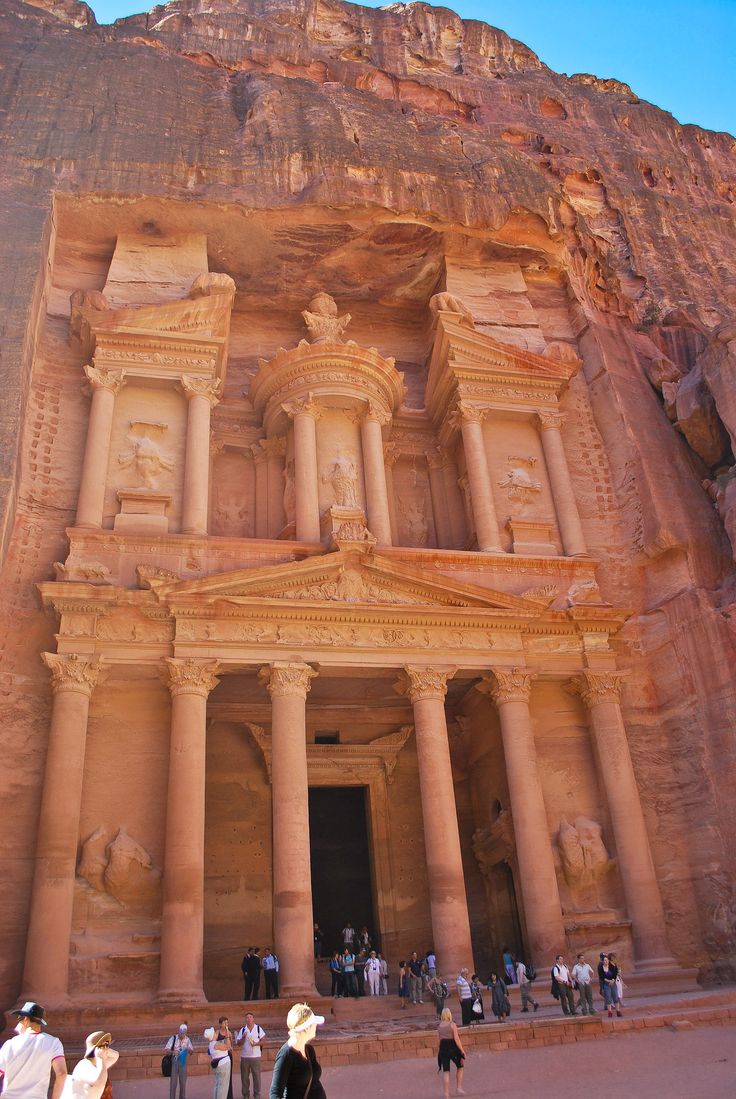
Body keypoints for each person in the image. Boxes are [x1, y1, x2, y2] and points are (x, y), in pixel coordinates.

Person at [0, 1001, 67, 1099]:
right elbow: (62, 1073)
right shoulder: (53, 1043)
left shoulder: (10, 1044)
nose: (17, 1025)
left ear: (26, 1019)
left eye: (19, 1020)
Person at [269, 1003, 326, 1099]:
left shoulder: (309, 1050)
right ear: (307, 1028)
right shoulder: (286, 1055)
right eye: (314, 1023)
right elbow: (275, 1093)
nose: (316, 1025)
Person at [61, 1031, 119, 1099]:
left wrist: (105, 1049)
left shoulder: (97, 1065)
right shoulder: (84, 1065)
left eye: (107, 1045)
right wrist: (99, 1057)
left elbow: (115, 1056)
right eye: (103, 1046)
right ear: (95, 1049)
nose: (106, 1048)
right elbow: (99, 1082)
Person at [437, 1007, 466, 1099]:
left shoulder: (439, 1026)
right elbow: (456, 1039)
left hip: (443, 1048)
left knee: (446, 1071)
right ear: (449, 1014)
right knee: (460, 1066)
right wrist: (462, 1050)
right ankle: (458, 1087)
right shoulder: (452, 1024)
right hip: (453, 1048)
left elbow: (439, 1040)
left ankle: (446, 1093)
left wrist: (440, 1051)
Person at [236, 1013, 265, 1099]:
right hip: (245, 1057)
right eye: (247, 1017)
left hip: (256, 1057)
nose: (248, 1019)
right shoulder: (243, 1030)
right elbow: (238, 1044)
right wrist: (243, 1038)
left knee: (257, 1077)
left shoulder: (258, 1029)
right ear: (245, 1019)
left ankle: (257, 1095)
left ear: (253, 1018)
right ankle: (245, 1094)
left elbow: (264, 1040)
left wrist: (257, 1044)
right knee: (244, 1078)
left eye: (250, 1017)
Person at [164, 1024, 193, 1099]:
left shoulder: (187, 1039)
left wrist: (190, 1050)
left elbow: (192, 1051)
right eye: (181, 1033)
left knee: (183, 1083)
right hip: (175, 1061)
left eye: (184, 1033)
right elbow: (166, 1050)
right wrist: (173, 1052)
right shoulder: (173, 1038)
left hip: (183, 1062)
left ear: (186, 1032)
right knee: (173, 1083)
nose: (182, 1035)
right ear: (179, 1031)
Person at [206, 1025, 231, 1099]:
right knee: (223, 1087)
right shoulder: (215, 1044)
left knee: (217, 1085)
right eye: (215, 1033)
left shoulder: (211, 1044)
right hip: (223, 1065)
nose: (216, 1033)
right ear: (213, 1035)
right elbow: (228, 1047)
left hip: (219, 1066)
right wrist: (227, 1037)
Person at [598, 954, 623, 1018]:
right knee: (608, 998)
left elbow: (615, 974)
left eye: (606, 960)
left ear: (608, 961)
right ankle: (610, 1012)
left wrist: (612, 980)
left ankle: (618, 1011)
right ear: (603, 961)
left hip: (613, 983)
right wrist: (608, 981)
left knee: (615, 997)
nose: (606, 961)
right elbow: (602, 977)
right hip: (606, 984)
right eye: (604, 960)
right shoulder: (601, 968)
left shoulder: (612, 967)